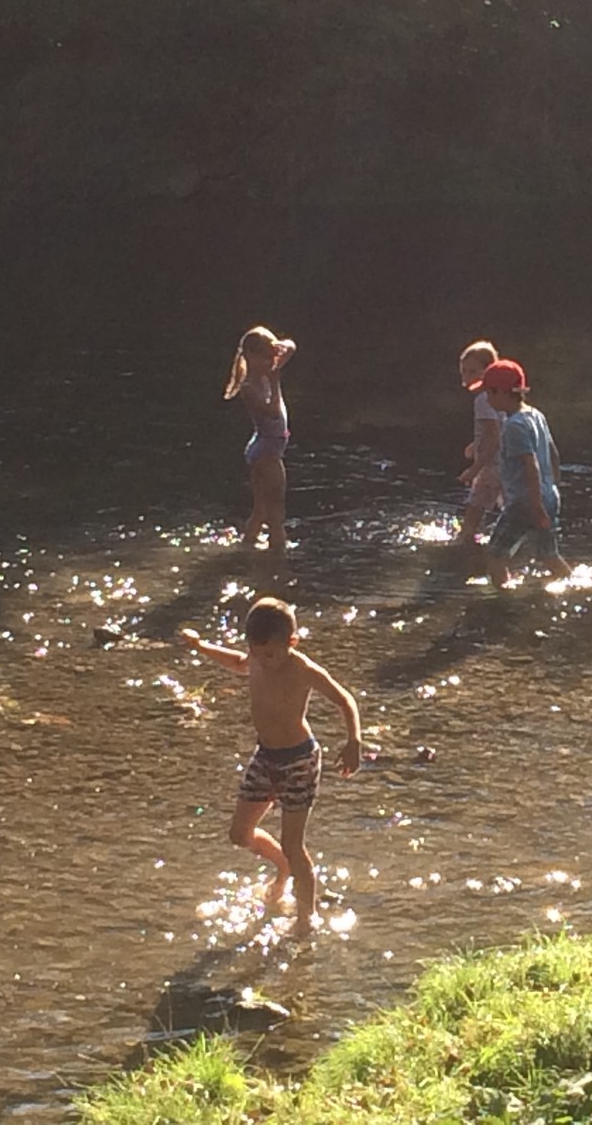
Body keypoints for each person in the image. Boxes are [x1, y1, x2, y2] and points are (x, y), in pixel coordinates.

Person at [179, 597, 360, 937]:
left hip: (299, 759)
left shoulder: (303, 669)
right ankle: (283, 866)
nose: (263, 661)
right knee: (239, 835)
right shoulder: (258, 659)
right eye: (257, 653)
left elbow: (344, 700)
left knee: (294, 843)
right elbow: (238, 662)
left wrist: (353, 742)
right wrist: (200, 646)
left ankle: (306, 919)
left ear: (292, 642)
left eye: (270, 655)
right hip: (266, 756)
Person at [473, 359, 574, 588]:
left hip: (525, 503)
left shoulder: (514, 426)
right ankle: (571, 583)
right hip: (549, 496)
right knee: (549, 555)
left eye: (489, 393)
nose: (487, 399)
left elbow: (531, 465)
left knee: (496, 555)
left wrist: (536, 506)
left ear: (502, 393)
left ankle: (503, 598)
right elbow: (553, 453)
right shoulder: (536, 415)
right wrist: (553, 487)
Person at [223, 324, 296, 553]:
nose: (270, 362)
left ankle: (246, 549)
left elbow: (292, 348)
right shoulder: (249, 387)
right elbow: (273, 412)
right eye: (265, 357)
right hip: (266, 451)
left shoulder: (268, 368)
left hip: (268, 447)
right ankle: (278, 559)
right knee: (276, 513)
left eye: (271, 357)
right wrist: (274, 383)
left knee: (262, 510)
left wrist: (279, 346)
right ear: (252, 357)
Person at [456, 340, 504, 548]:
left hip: (491, 465)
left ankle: (464, 548)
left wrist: (474, 469)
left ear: (488, 371)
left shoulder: (483, 400)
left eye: (473, 371)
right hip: (507, 463)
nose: (467, 377)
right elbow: (496, 428)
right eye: (464, 372)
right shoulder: (499, 396)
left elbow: (494, 437)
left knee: (473, 512)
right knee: (511, 510)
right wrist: (475, 443)